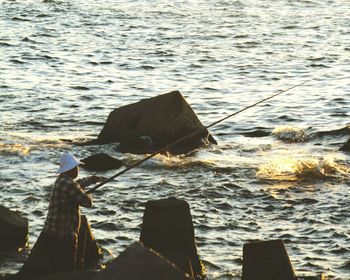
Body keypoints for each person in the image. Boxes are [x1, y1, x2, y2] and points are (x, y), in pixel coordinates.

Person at [17, 152, 105, 279]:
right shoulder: (69, 184)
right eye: (76, 167)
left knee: (57, 268)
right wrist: (88, 194)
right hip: (64, 235)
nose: (78, 169)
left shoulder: (62, 181)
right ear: (71, 169)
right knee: (67, 268)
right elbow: (87, 202)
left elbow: (78, 184)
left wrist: (92, 179)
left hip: (52, 231)